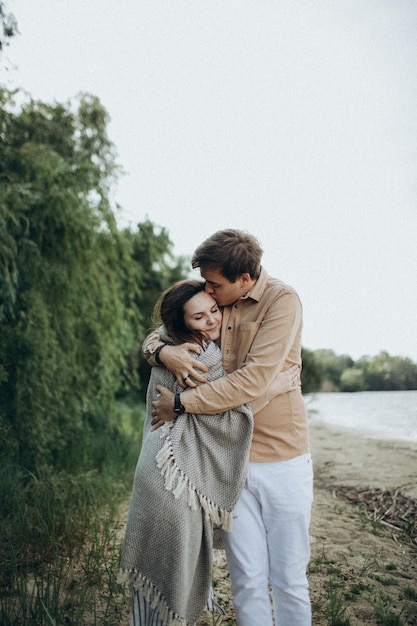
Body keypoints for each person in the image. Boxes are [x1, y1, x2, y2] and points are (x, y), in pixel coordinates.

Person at [146, 229, 313, 626]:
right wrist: (163, 350)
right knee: (246, 580)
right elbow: (164, 324)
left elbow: (252, 381)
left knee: (289, 579)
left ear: (245, 279)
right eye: (205, 281)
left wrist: (183, 404)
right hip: (228, 459)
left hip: (283, 458)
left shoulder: (282, 302)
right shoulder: (213, 300)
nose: (207, 289)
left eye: (215, 283)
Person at [118, 280, 256, 626]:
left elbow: (153, 341)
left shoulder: (168, 344)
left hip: (159, 469)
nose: (211, 321)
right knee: (175, 563)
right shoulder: (199, 353)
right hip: (175, 476)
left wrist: (159, 350)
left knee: (161, 572)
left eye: (213, 310)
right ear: (182, 323)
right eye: (199, 317)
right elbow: (231, 406)